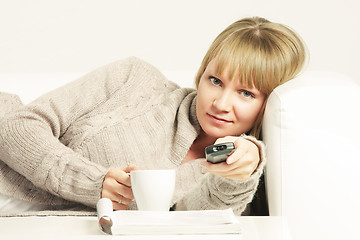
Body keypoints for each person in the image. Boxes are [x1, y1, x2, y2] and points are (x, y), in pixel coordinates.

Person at [0, 16, 307, 215]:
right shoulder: (136, 79)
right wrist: (94, 183)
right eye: (215, 81)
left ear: (269, 104)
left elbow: (194, 218)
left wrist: (243, 170)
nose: (221, 103)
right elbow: (16, 127)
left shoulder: (247, 173)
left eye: (246, 93)